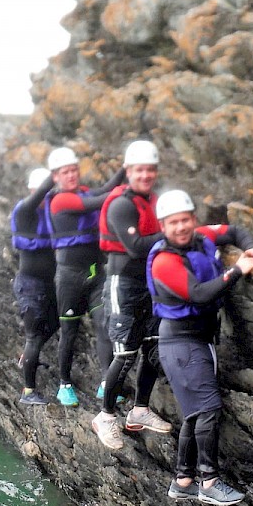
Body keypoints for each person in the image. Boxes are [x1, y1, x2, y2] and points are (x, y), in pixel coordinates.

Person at [146, 189, 253, 506]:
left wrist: (251, 249)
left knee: (195, 413)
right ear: (163, 226)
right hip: (181, 342)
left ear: (193, 219)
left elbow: (235, 230)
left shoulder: (202, 236)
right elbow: (198, 294)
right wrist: (238, 269)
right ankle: (208, 482)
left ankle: (183, 480)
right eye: (173, 223)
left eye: (185, 220)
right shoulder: (164, 261)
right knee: (208, 409)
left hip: (200, 338)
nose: (181, 227)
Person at [92, 139, 171, 450]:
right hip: (123, 282)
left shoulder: (153, 200)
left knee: (152, 346)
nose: (146, 175)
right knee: (125, 354)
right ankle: (105, 417)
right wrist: (175, 233)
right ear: (128, 171)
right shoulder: (121, 203)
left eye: (151, 170)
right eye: (140, 170)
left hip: (150, 284)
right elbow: (136, 246)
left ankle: (139, 410)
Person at [45, 146, 125, 407]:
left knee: (104, 324)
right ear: (56, 177)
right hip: (69, 277)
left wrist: (127, 168)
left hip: (95, 273)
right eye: (65, 172)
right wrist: (126, 187)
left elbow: (102, 191)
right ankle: (64, 384)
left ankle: (106, 382)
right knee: (69, 331)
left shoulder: (83, 192)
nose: (71, 175)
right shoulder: (60, 200)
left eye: (74, 170)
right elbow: (99, 201)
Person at [10, 166, 58, 405]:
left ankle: (27, 357)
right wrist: (55, 174)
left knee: (56, 322)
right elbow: (39, 195)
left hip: (47, 283)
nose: (46, 199)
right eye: (43, 194)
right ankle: (28, 392)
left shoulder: (51, 214)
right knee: (34, 336)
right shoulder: (24, 210)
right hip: (29, 285)